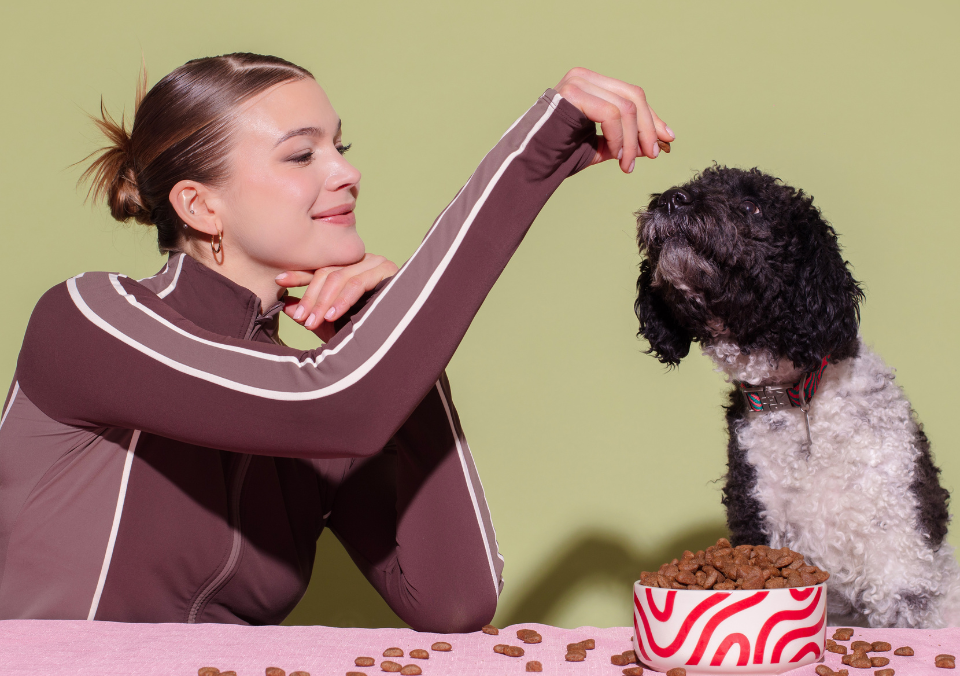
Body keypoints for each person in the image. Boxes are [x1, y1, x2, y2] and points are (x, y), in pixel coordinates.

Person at [0, 53, 673, 627]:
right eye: (301, 154)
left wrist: (394, 349)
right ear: (200, 206)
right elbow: (337, 403)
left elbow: (454, 602)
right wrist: (532, 159)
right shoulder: (87, 320)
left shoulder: (322, 401)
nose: (346, 173)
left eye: (339, 149)